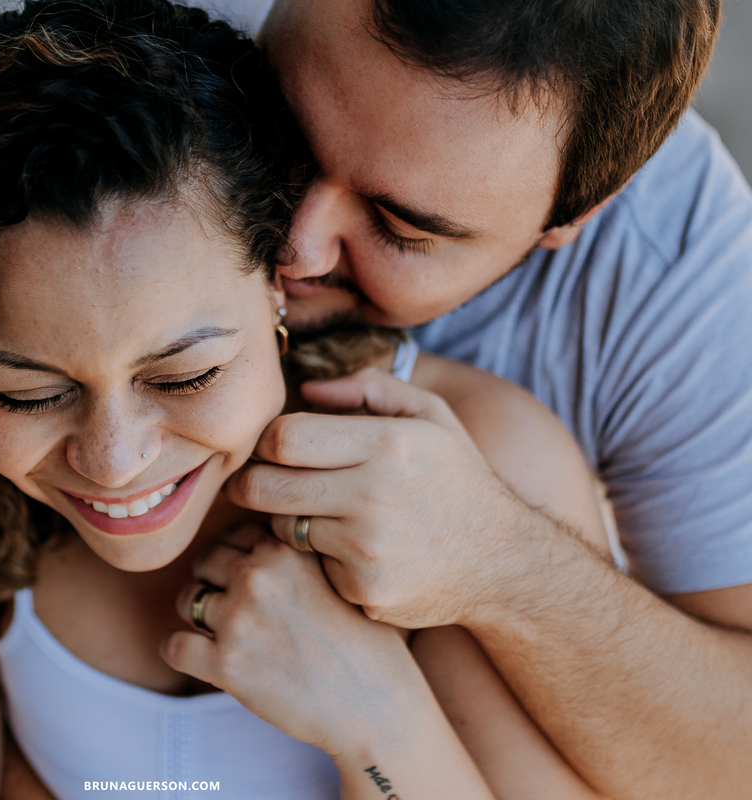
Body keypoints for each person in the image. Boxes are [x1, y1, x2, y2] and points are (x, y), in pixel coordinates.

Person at [0, 1, 619, 798]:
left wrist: (377, 721)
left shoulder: (484, 463)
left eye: (184, 376)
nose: (114, 461)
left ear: (279, 283)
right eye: (29, 393)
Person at [186, 0, 752, 797]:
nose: (295, 246)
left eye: (400, 228)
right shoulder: (147, 45)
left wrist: (503, 565)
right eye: (284, 132)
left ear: (579, 212)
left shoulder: (678, 269)